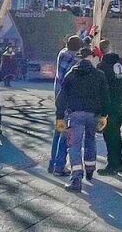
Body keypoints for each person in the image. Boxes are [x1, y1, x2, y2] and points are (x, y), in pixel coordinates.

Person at [57, 47, 110, 192]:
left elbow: (61, 98)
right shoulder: (99, 75)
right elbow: (106, 97)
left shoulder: (71, 75)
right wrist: (104, 115)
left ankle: (76, 178)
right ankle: (90, 168)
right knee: (90, 140)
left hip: (75, 115)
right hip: (93, 115)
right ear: (91, 58)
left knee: (74, 145)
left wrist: (60, 117)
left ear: (79, 58)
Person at [48, 36, 83, 175]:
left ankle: (53, 163)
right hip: (68, 101)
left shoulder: (62, 53)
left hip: (59, 99)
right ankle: (59, 166)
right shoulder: (74, 61)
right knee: (65, 133)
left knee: (59, 131)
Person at [97, 39, 122, 175]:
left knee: (109, 135)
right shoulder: (121, 63)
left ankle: (112, 165)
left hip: (108, 105)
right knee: (116, 134)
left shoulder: (102, 66)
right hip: (120, 102)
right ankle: (118, 163)